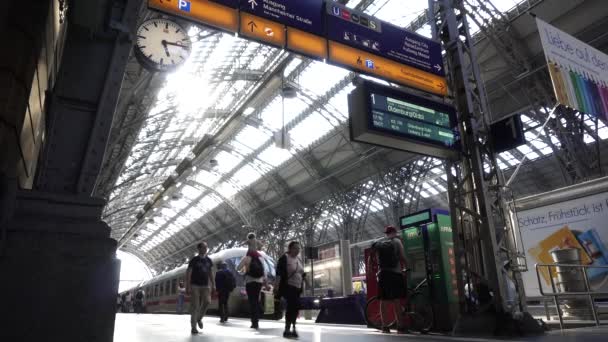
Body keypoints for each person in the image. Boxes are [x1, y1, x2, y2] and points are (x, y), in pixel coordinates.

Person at [372, 225, 407, 334]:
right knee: (396, 299)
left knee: (383, 301)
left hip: (383, 274)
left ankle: (385, 326)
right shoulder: (396, 241)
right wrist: (407, 266)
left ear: (386, 234)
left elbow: (378, 261)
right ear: (395, 232)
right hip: (395, 274)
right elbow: (402, 256)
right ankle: (400, 327)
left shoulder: (380, 244)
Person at [275, 241, 305, 339]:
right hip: (288, 286)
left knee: (295, 308)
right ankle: (288, 329)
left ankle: (293, 327)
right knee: (291, 307)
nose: (297, 250)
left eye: (298, 248)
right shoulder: (284, 258)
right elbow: (279, 273)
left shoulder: (299, 259)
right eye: (295, 248)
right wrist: (276, 287)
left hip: (298, 288)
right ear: (290, 248)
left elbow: (302, 273)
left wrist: (305, 284)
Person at [238, 232, 266, 330]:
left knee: (252, 301)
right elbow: (264, 271)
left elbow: (238, 268)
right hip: (259, 282)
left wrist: (244, 269)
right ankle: (257, 317)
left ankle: (254, 322)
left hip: (250, 282)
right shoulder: (260, 257)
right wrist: (265, 281)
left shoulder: (247, 257)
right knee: (256, 300)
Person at [186, 242, 215, 334]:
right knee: (195, 306)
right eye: (203, 247)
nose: (205, 249)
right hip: (195, 285)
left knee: (207, 301)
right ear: (199, 249)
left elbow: (211, 273)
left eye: (206, 247)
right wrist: (188, 285)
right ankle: (193, 327)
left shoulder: (209, 260)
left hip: (205, 285)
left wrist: (213, 284)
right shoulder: (194, 260)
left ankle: (199, 318)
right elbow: (189, 273)